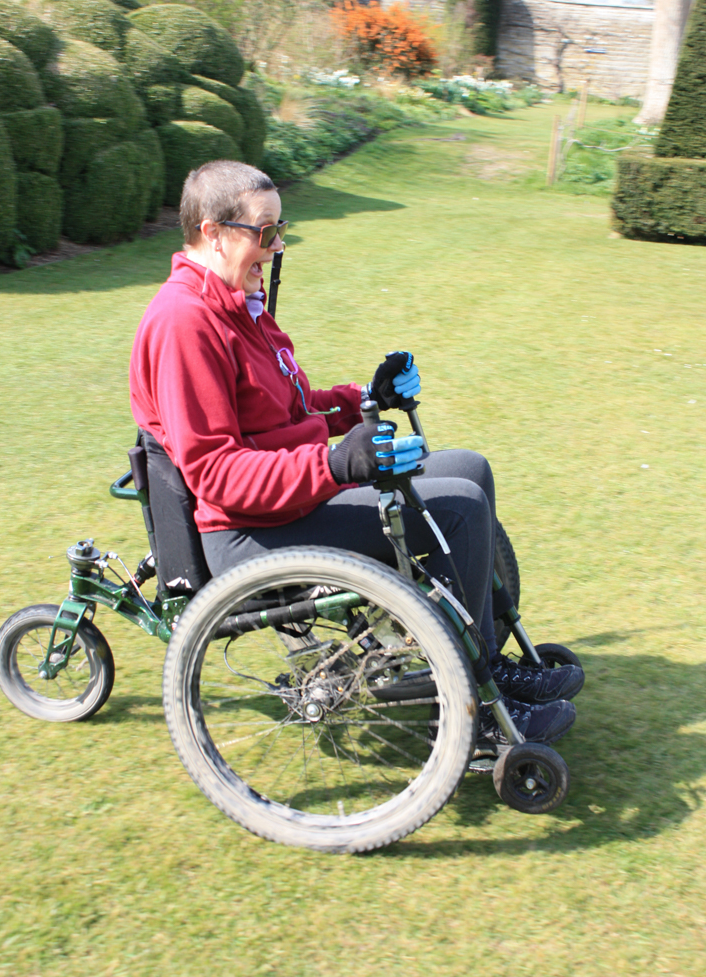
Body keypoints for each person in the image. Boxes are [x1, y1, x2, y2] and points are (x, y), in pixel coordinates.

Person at [130, 160, 583, 748]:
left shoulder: (236, 304)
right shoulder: (185, 323)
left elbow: (290, 410)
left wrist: (367, 399)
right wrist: (335, 464)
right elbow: (216, 472)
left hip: (285, 502)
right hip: (249, 530)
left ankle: (486, 663)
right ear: (212, 233)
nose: (277, 246)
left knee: (469, 468)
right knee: (458, 508)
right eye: (264, 234)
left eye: (279, 229)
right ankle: (471, 715)